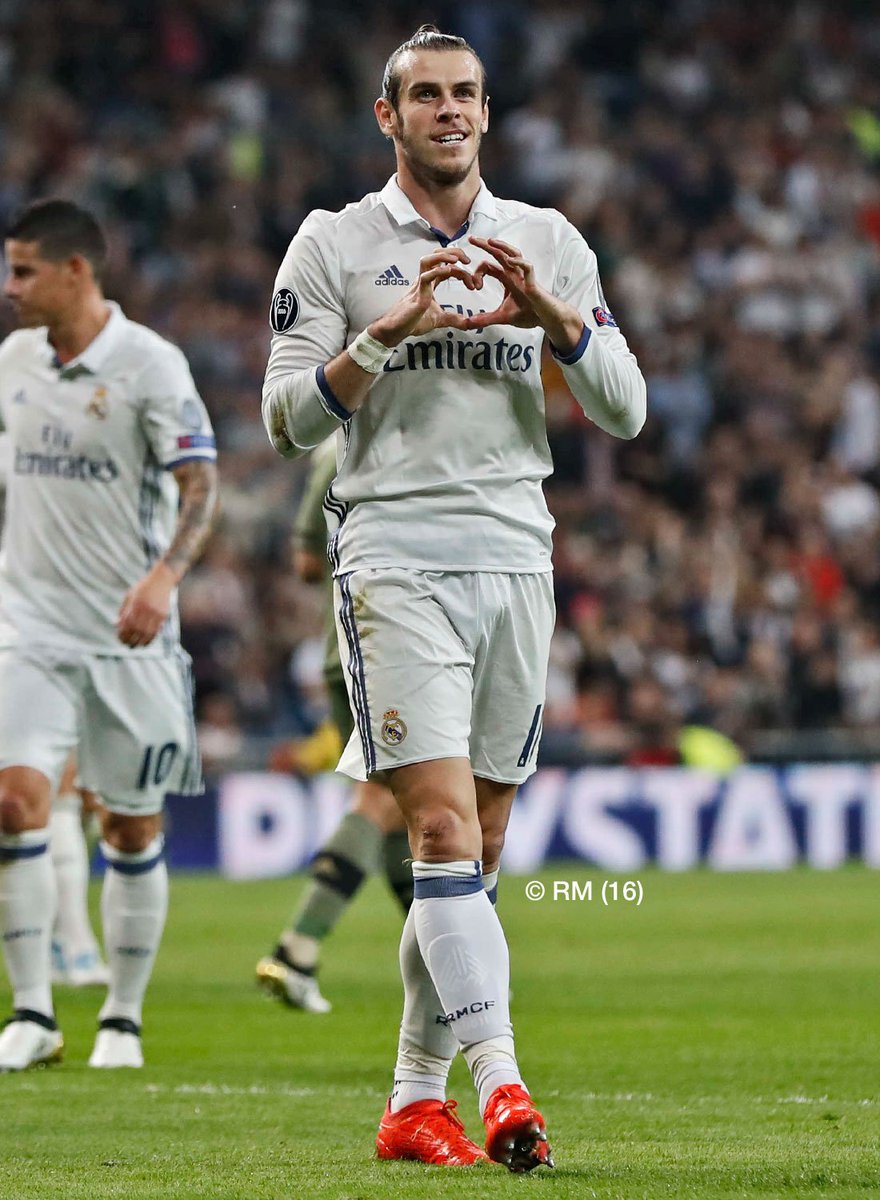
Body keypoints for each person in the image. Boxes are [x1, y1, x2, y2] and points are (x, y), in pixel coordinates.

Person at [262, 25, 645, 1171]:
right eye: (425, 94)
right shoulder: (334, 242)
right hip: (392, 553)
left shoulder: (546, 240)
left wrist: (556, 323)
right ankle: (503, 1086)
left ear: (486, 110)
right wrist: (386, 335)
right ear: (388, 116)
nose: (449, 111)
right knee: (435, 827)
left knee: (476, 848)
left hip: (516, 553)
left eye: (465, 94)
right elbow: (285, 422)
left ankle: (411, 1104)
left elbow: (625, 410)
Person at [0, 199, 218, 1071]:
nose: (10, 287)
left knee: (130, 827)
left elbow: (201, 484)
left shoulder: (149, 365)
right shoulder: (14, 362)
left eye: (23, 271)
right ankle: (33, 1013)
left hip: (128, 635)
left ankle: (121, 1018)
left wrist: (164, 579)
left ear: (75, 272)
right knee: (14, 803)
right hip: (29, 626)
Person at [257, 439, 413, 1014]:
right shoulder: (420, 433)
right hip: (400, 650)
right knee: (384, 795)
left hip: (340, 645)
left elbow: (305, 563)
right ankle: (297, 950)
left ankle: (448, 958)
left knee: (404, 806)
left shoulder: (334, 447)